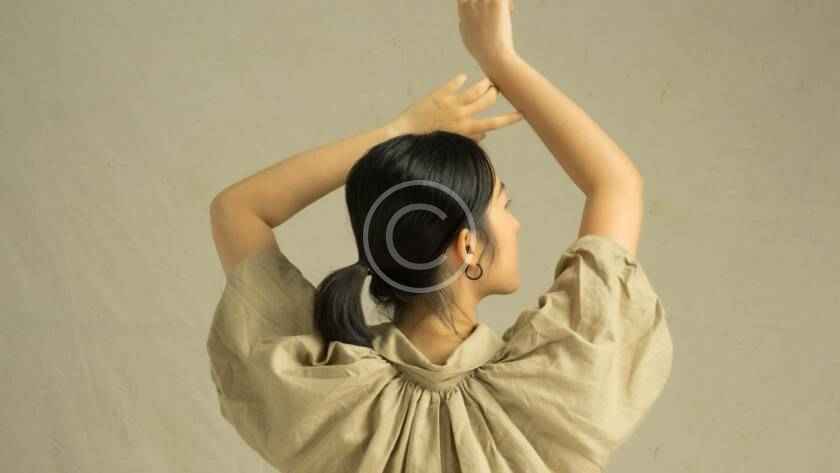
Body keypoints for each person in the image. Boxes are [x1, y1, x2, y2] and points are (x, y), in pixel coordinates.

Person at [206, 1, 673, 471]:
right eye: (504, 206)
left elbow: (237, 211)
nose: (516, 224)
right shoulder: (552, 384)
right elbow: (616, 185)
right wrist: (499, 58)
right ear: (467, 245)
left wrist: (398, 132)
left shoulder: (324, 390)